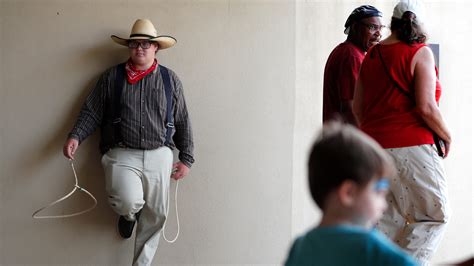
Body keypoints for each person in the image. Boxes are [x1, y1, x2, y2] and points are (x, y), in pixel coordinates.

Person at [63, 19, 194, 266]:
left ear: (156, 48)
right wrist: (76, 136)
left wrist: (186, 157)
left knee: (156, 215)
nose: (140, 48)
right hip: (121, 153)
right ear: (129, 47)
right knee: (126, 199)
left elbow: (183, 118)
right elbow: (92, 111)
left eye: (146, 44)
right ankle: (129, 214)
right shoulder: (111, 77)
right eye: (135, 43)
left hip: (160, 154)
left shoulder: (169, 80)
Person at [353, 1, 451, 265]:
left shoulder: (371, 55)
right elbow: (427, 107)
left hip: (375, 149)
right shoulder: (421, 53)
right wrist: (447, 135)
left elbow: (358, 107)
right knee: (433, 216)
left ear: (393, 23)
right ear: (419, 24)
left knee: (388, 219)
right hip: (413, 145)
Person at [285, 122, 417, 266]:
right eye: (379, 192)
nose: (384, 205)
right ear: (349, 193)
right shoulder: (369, 248)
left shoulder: (300, 247)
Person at [323, 5, 384, 125]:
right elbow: (351, 107)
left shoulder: (348, 51)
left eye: (381, 28)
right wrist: (363, 141)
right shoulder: (352, 56)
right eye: (372, 27)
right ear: (355, 28)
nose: (378, 34)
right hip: (347, 139)